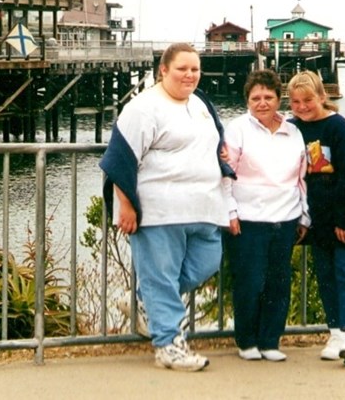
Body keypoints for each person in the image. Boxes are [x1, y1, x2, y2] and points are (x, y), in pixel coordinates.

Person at [99, 42, 235, 372]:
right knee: (161, 277)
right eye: (182, 69)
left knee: (207, 263)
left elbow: (215, 141)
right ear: (163, 70)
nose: (190, 75)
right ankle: (168, 345)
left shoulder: (201, 104)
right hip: (160, 211)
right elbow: (121, 159)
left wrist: (223, 155)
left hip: (204, 208)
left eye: (195, 69)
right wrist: (126, 205)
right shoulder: (143, 108)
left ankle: (146, 303)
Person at [287, 70, 345, 366]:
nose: (302, 106)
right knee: (325, 275)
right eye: (295, 101)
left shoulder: (339, 129)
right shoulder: (293, 129)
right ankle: (336, 332)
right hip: (317, 220)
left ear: (322, 97)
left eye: (308, 100)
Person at [223, 69, 310, 362]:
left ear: (278, 98)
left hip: (285, 219)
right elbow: (224, 175)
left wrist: (304, 216)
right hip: (248, 220)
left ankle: (270, 340)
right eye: (255, 98)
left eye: (268, 97)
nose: (262, 103)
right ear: (247, 100)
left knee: (278, 281)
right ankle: (247, 340)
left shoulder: (294, 131)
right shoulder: (237, 130)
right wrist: (230, 211)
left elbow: (302, 178)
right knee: (250, 281)